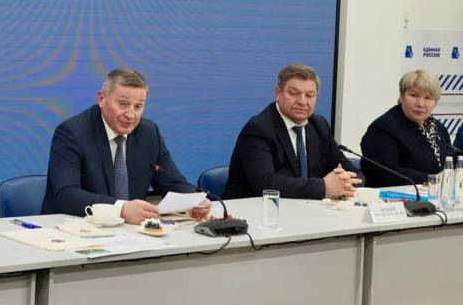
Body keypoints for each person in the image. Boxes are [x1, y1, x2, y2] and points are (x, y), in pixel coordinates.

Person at [41, 68, 210, 224]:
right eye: (123, 104)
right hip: (72, 227)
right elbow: (67, 195)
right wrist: (121, 209)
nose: (131, 114)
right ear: (101, 99)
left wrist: (193, 201)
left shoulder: (148, 132)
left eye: (138, 106)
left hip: (130, 232)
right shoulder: (72, 133)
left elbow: (172, 182)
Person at [224, 64, 363, 200]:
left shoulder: (319, 125)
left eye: (309, 95)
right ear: (278, 93)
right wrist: (324, 187)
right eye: (293, 93)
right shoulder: (259, 129)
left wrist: (344, 182)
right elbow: (265, 184)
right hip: (256, 210)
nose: (302, 101)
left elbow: (354, 174)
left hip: (305, 209)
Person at [360, 69, 453, 186]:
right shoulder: (383, 128)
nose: (420, 104)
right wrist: (432, 179)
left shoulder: (439, 128)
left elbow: (450, 165)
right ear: (402, 96)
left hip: (438, 192)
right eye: (414, 95)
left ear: (435, 102)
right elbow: (383, 173)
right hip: (396, 195)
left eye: (428, 98)